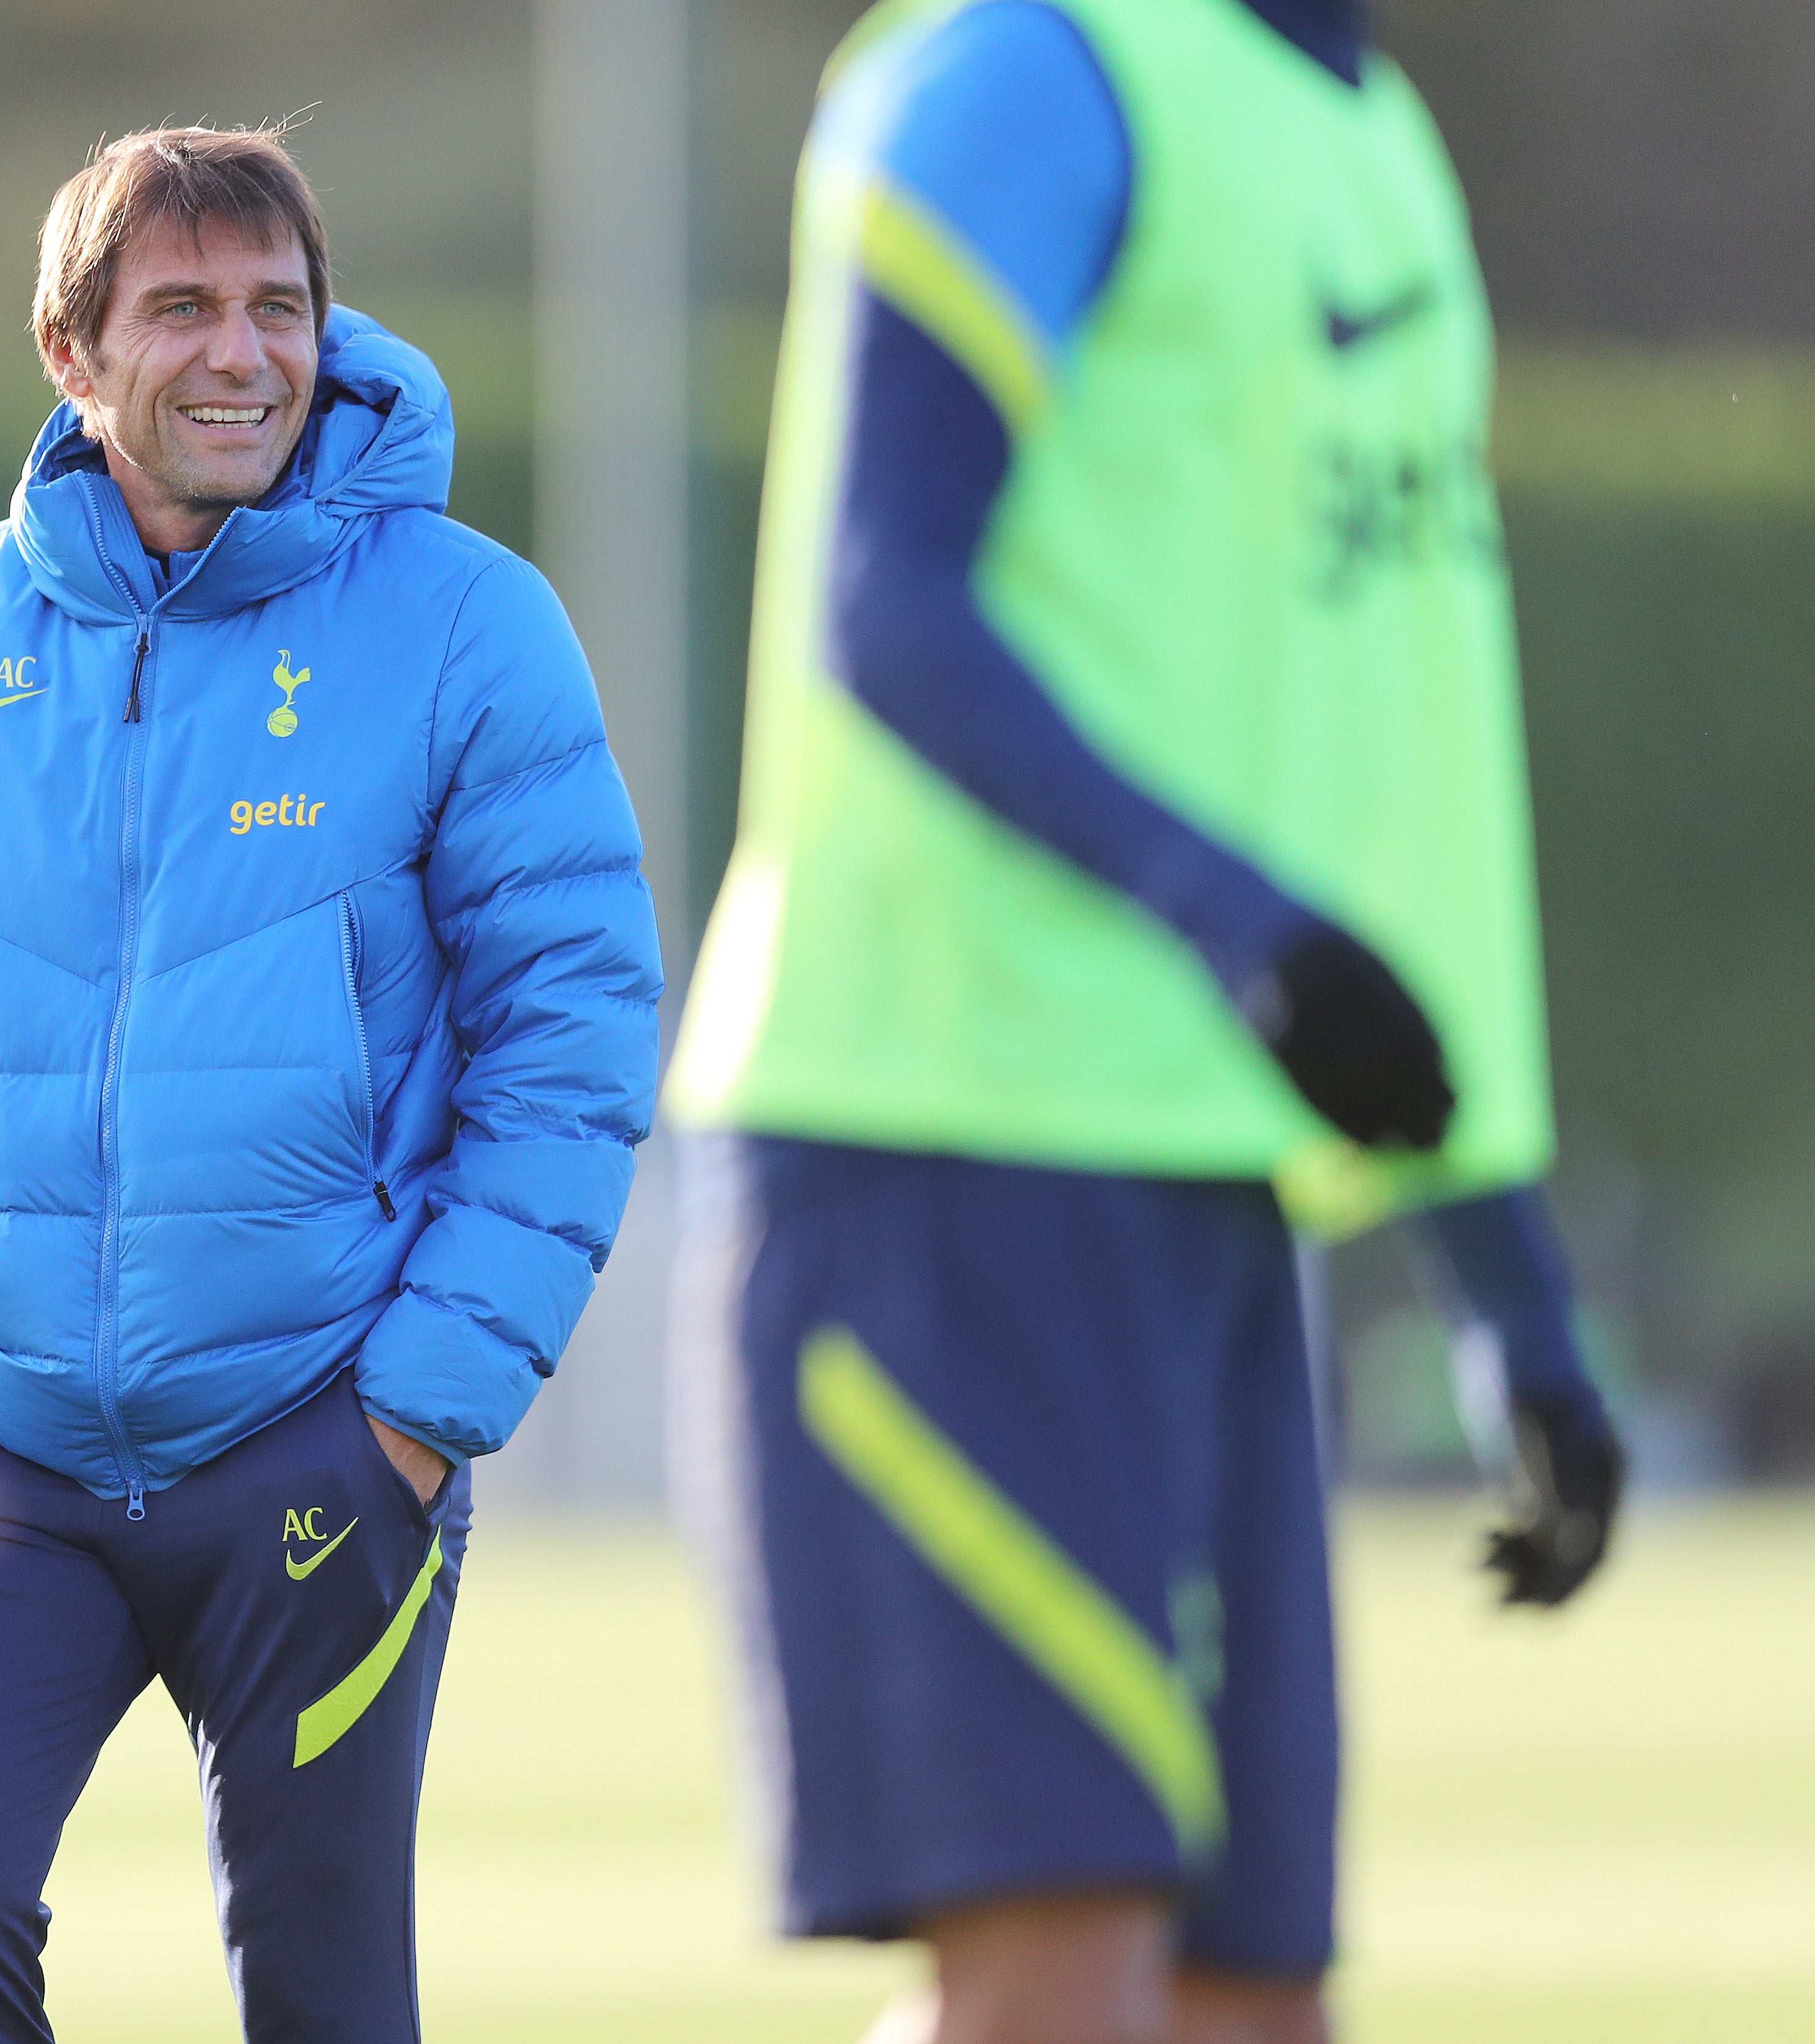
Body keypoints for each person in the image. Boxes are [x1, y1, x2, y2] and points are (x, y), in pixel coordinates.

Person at [665, 2, 1626, 2041]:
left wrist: (1508, 1288)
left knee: (1246, 2003)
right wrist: (1227, 919)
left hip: (1200, 1193)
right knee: (1057, 1988)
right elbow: (883, 593)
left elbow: (1389, 775)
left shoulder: (1368, 131)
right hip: (943, 1157)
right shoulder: (1025, 68)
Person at [0, 124, 664, 2041]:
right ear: (70, 351)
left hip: (316, 1440)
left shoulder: (466, 621)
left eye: (279, 306)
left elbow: (576, 1034)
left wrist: (419, 1415)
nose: (241, 353)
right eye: (179, 307)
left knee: (326, 2007)